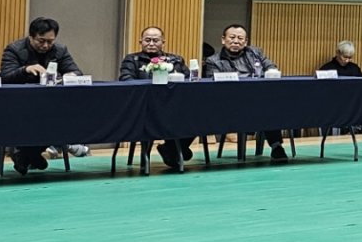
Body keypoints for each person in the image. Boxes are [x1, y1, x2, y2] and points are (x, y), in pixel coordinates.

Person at [1, 16, 85, 174]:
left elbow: (76, 71)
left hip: (51, 103)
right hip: (20, 104)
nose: (46, 45)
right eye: (41, 41)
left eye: (50, 41)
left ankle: (26, 154)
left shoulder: (60, 50)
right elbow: (5, 77)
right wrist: (25, 70)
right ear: (31, 37)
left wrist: (71, 75)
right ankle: (29, 154)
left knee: (64, 117)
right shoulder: (14, 49)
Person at [205, 24, 289, 162]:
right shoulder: (213, 61)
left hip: (258, 99)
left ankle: (276, 146)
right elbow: (213, 85)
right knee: (263, 108)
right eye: (232, 37)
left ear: (245, 42)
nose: (236, 41)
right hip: (229, 103)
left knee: (269, 107)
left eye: (240, 38)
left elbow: (271, 66)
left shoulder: (256, 53)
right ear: (223, 39)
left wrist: (270, 72)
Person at [118, 26, 192, 172]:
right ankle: (171, 151)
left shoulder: (176, 60)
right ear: (140, 41)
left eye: (155, 40)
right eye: (147, 40)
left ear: (163, 42)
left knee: (196, 115)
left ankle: (171, 148)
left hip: (173, 106)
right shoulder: (131, 60)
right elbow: (126, 80)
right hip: (144, 108)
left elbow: (188, 80)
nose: (151, 43)